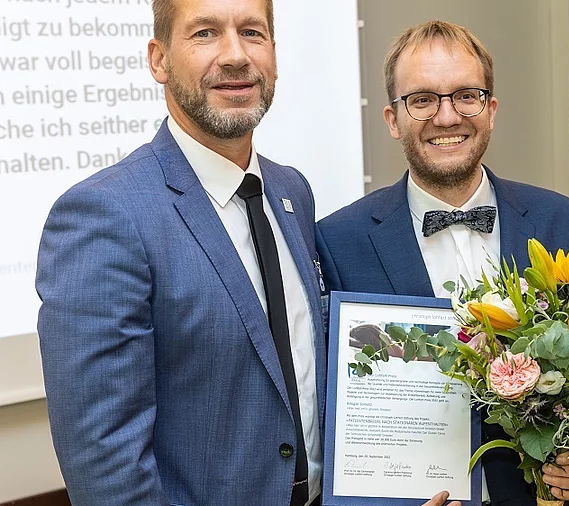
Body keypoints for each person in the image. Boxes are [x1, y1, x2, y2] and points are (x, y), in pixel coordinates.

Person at [34, 1, 457, 506]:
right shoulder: (104, 215)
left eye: (252, 32)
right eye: (205, 33)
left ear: (274, 55)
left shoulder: (290, 190)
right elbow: (105, 465)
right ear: (158, 59)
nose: (235, 56)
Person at [316, 20, 569, 506]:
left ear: (491, 109)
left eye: (466, 95)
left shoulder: (557, 219)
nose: (446, 117)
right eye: (422, 99)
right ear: (392, 119)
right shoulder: (340, 240)